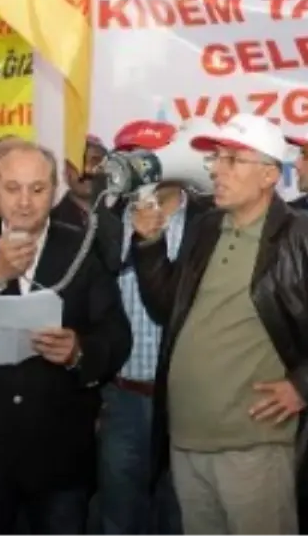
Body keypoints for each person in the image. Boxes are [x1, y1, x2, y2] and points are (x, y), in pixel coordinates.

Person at [129, 113, 308, 536]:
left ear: (269, 174)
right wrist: (149, 246)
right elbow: (168, 310)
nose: (217, 169)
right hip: (187, 439)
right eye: (217, 159)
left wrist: (305, 384)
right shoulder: (206, 228)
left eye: (233, 160)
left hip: (253, 445)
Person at [0, 140, 132, 536]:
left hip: (58, 457)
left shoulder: (82, 249)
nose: (25, 201)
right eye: (12, 188)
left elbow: (115, 334)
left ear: (54, 190)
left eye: (37, 189)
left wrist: (78, 352)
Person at [93, 127, 212, 536]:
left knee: (184, 515)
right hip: (121, 396)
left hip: (188, 397)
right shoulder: (102, 224)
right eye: (128, 155)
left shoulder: (210, 221)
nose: (138, 165)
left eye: (147, 155)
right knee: (119, 515)